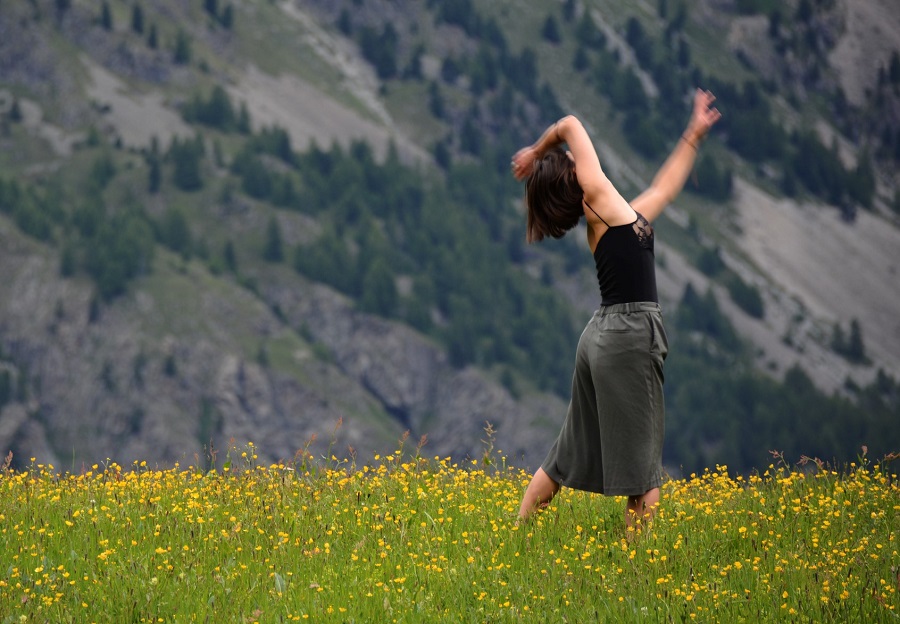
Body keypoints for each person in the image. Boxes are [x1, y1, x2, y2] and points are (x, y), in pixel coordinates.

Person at [510, 88, 721, 530]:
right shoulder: (599, 201)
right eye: (573, 164)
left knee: (563, 455)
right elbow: (569, 123)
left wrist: (693, 134)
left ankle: (517, 534)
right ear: (577, 181)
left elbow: (662, 189)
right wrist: (537, 150)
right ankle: (634, 575)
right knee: (645, 475)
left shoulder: (617, 218)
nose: (577, 161)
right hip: (628, 334)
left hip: (601, 336)